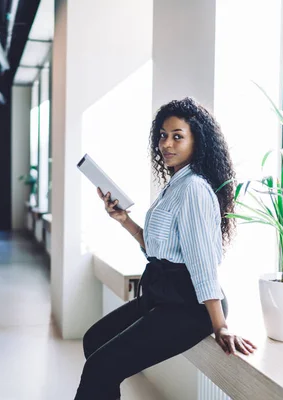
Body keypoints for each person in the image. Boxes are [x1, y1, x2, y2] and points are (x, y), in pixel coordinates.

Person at [74, 97, 256, 400]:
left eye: (177, 136)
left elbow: (202, 263)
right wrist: (124, 220)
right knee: (95, 340)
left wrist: (220, 327)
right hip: (165, 293)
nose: (166, 144)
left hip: (191, 304)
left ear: (197, 141)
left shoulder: (194, 188)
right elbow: (161, 249)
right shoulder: (175, 185)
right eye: (162, 135)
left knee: (102, 366)